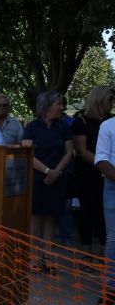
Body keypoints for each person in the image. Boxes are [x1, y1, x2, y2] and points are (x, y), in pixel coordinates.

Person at [21, 91, 74, 272]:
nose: (62, 107)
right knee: (36, 218)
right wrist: (46, 171)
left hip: (58, 177)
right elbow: (28, 153)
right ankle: (34, 258)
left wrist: (56, 172)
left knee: (51, 217)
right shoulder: (32, 127)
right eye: (58, 104)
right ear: (46, 106)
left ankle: (48, 258)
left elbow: (69, 152)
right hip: (37, 177)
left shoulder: (63, 126)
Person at [73, 86, 114, 266]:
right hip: (89, 174)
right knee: (88, 213)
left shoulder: (111, 121)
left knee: (106, 219)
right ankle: (87, 255)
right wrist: (102, 165)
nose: (112, 102)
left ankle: (104, 256)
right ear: (99, 98)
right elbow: (81, 151)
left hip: (109, 174)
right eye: (110, 98)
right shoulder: (81, 122)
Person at [95, 109, 115, 305]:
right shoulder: (108, 126)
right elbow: (101, 159)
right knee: (114, 238)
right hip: (113, 184)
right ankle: (111, 287)